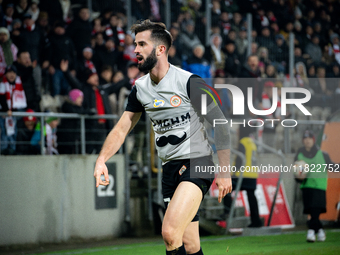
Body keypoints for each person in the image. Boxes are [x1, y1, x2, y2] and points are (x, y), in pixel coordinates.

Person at [94, 20, 232, 255]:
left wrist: (225, 171)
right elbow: (122, 127)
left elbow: (220, 123)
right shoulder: (140, 88)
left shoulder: (189, 81)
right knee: (190, 245)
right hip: (169, 169)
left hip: (197, 163)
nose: (135, 50)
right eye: (135, 44)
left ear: (160, 49)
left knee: (169, 233)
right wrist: (101, 160)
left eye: (141, 44)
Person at [294, 130, 333, 242]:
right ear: (303, 141)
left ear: (313, 140)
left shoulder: (323, 154)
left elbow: (332, 166)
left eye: (310, 138)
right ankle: (320, 230)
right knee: (312, 211)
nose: (307, 141)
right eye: (305, 138)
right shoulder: (299, 155)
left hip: (319, 186)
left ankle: (311, 231)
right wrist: (299, 177)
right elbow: (297, 175)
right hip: (307, 187)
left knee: (315, 209)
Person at [0, 65, 27, 155]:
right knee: (4, 131)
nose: (12, 75)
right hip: (4, 113)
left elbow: (19, 101)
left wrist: (12, 112)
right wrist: (6, 110)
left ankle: (12, 148)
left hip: (13, 114)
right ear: (6, 74)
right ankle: (3, 149)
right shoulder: (2, 84)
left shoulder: (19, 85)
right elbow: (2, 97)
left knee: (13, 130)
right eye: (9, 72)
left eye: (13, 73)